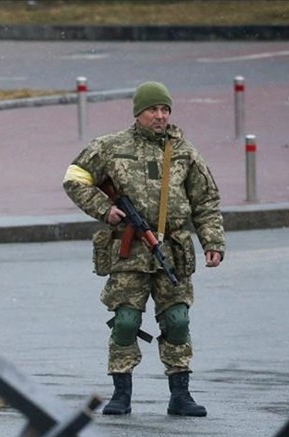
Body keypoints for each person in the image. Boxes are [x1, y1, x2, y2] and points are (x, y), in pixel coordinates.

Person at [63, 81, 226, 417]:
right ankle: (121, 394)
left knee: (177, 320)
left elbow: (206, 201)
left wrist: (212, 242)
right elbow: (75, 177)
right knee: (125, 321)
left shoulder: (184, 152)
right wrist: (104, 209)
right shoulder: (111, 147)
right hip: (129, 251)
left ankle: (180, 394)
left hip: (172, 251)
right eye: (153, 109)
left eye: (165, 109)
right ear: (138, 112)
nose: (160, 115)